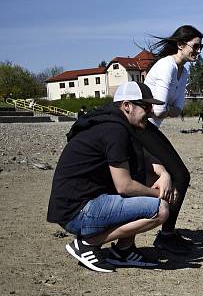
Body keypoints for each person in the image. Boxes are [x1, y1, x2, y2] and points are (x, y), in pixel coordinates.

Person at [47, 82, 173, 272]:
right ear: (127, 105)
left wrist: (164, 173)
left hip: (76, 204)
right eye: (145, 106)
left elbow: (146, 158)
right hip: (78, 211)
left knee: (146, 178)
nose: (150, 112)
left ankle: (124, 250)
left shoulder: (113, 124)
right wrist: (158, 194)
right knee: (161, 209)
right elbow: (124, 186)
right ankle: (88, 244)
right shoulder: (115, 131)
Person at [137, 25, 203, 255]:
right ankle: (165, 234)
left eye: (200, 47)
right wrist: (168, 109)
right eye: (195, 46)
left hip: (150, 128)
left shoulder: (183, 71)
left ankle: (167, 233)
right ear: (181, 45)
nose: (198, 51)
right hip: (140, 128)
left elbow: (178, 109)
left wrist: (167, 109)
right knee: (180, 175)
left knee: (179, 176)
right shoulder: (165, 66)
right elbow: (160, 109)